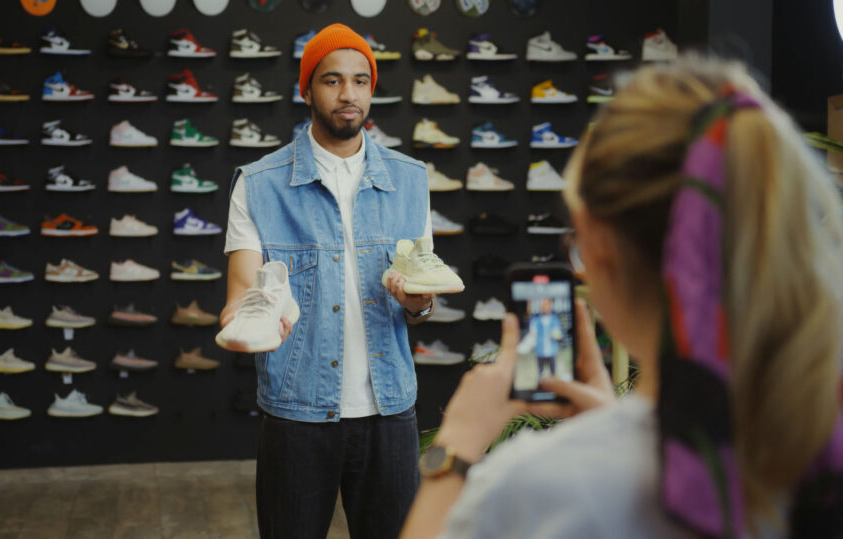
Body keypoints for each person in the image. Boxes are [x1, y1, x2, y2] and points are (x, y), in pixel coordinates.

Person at [400, 56, 843, 538]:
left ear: (602, 248)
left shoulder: (539, 486)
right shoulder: (818, 445)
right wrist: (613, 425)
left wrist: (456, 446)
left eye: (576, 246)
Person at [221, 23, 436, 539]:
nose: (348, 94)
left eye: (361, 81)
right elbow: (241, 297)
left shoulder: (410, 179)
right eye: (333, 80)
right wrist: (248, 321)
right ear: (307, 90)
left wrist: (419, 302)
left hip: (390, 411)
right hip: (296, 415)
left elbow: (421, 297)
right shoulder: (258, 184)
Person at [516, 298, 563, 380]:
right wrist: (524, 347)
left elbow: (558, 333)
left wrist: (558, 336)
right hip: (540, 350)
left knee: (553, 372)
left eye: (547, 305)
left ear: (550, 307)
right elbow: (532, 335)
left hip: (552, 350)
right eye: (543, 306)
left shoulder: (555, 320)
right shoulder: (536, 321)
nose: (545, 308)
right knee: (540, 372)